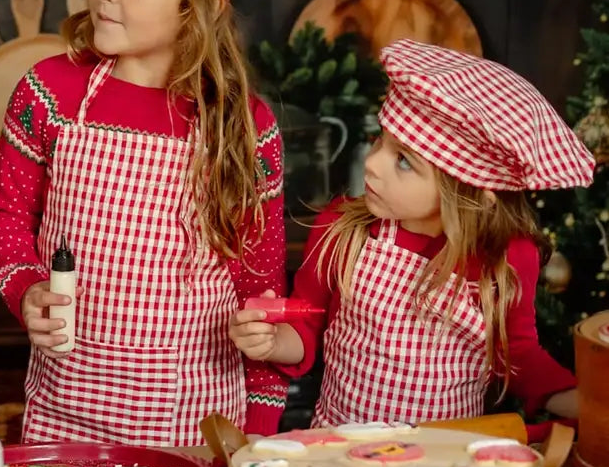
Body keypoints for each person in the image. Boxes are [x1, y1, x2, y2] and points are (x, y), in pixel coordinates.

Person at [0, 0, 293, 447]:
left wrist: (261, 435)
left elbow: (260, 291)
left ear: (199, 7)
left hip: (196, 426)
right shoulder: (50, 92)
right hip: (64, 418)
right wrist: (26, 290)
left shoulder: (245, 129)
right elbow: (4, 215)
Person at [229, 38, 592, 428]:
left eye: (403, 161)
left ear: (468, 195)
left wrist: (587, 407)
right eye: (379, 141)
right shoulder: (343, 228)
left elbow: (517, 355)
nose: (372, 164)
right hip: (340, 454)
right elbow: (307, 325)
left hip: (442, 462)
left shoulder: (503, 257)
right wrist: (272, 342)